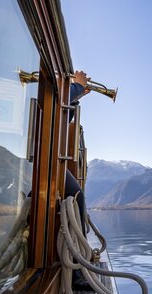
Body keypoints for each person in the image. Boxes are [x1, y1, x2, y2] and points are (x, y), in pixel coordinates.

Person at [64, 71, 90, 236]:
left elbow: (63, 116)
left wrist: (77, 95)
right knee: (77, 195)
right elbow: (59, 99)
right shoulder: (53, 89)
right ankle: (78, 255)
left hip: (51, 159)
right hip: (49, 162)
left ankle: (78, 251)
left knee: (77, 194)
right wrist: (78, 86)